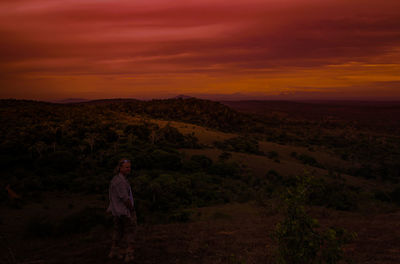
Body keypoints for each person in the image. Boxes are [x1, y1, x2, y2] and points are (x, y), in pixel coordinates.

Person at [107, 158, 137, 263]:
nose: (129, 169)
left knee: (118, 231)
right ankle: (129, 254)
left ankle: (114, 251)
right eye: (126, 167)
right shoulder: (120, 182)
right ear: (120, 168)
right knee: (130, 231)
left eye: (129, 167)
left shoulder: (115, 180)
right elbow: (125, 198)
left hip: (116, 211)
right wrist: (132, 209)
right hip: (124, 211)